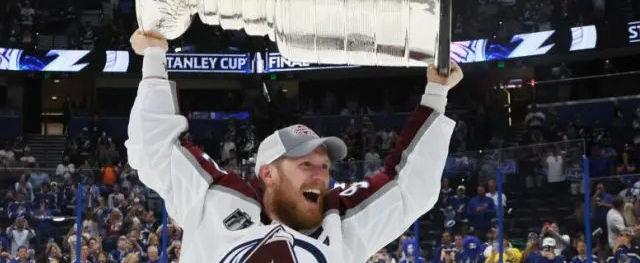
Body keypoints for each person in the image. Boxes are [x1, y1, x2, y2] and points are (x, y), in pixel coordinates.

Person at [126, 30, 463, 262]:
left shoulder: (342, 221)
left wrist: (436, 92)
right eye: (306, 165)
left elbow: (409, 188)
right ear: (267, 173)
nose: (321, 176)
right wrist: (154, 55)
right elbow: (155, 148)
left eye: (325, 168)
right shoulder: (215, 200)